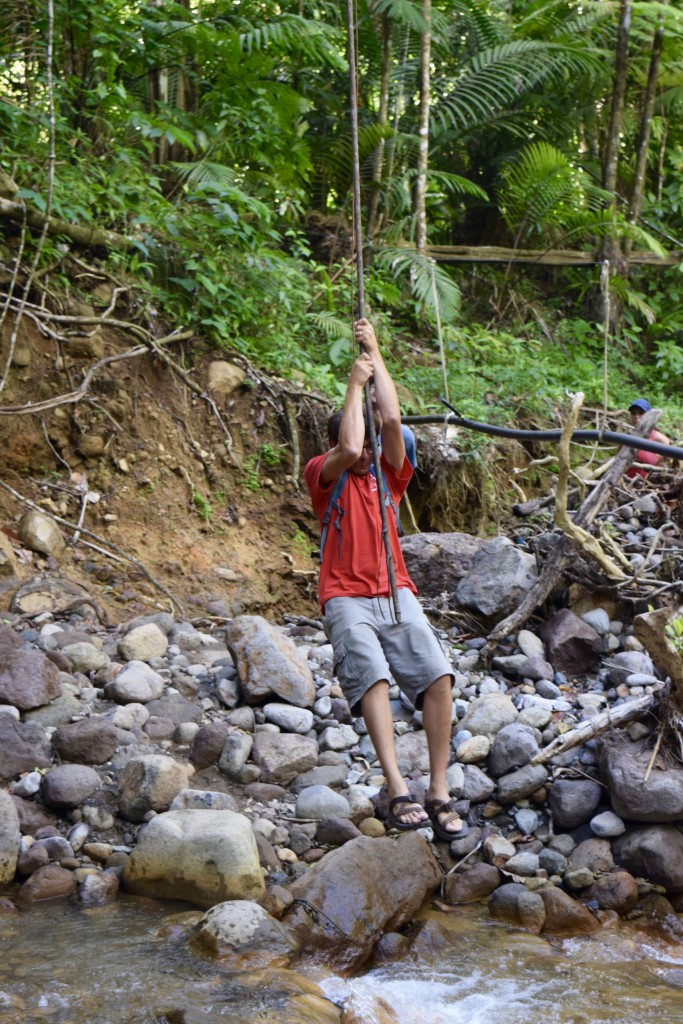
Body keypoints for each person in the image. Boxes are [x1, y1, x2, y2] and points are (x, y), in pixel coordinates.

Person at [304, 318, 466, 839]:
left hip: (395, 590)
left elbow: (392, 420)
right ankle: (397, 787)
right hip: (345, 597)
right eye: (362, 434)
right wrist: (353, 383)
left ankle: (438, 790)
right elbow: (350, 448)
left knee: (438, 676)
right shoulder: (322, 475)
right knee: (371, 674)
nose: (370, 445)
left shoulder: (386, 477)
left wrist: (376, 353)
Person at [626, 398, 670, 479]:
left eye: (641, 413)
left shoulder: (654, 435)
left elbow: (668, 444)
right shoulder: (627, 436)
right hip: (628, 480)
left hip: (649, 481)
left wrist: (661, 462)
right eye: (633, 413)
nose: (636, 417)